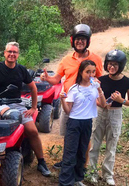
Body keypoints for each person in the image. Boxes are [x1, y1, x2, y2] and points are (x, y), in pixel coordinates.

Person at [0, 42, 51, 177]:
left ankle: (41, 162)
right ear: (4, 53)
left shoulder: (21, 70)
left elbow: (33, 88)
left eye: (14, 52)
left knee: (32, 130)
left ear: (17, 55)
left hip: (17, 104)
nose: (12, 54)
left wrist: (33, 107)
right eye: (9, 52)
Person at [41, 24, 103, 170]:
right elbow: (57, 79)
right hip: (69, 102)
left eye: (83, 39)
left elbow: (100, 80)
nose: (80, 42)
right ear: (72, 41)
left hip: (86, 105)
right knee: (68, 135)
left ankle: (83, 164)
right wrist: (46, 78)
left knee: (85, 137)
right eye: (77, 39)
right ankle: (68, 161)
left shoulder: (95, 59)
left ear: (88, 41)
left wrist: (98, 95)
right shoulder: (66, 59)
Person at [56, 60, 106, 186]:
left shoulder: (94, 88)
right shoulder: (74, 89)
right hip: (74, 122)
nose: (90, 74)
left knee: (82, 150)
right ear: (81, 73)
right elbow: (68, 110)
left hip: (87, 122)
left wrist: (100, 91)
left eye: (93, 72)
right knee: (70, 152)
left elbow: (103, 105)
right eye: (87, 72)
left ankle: (77, 178)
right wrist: (62, 100)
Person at [88, 49, 129, 186]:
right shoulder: (100, 80)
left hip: (115, 114)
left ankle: (108, 174)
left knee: (111, 145)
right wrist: (101, 103)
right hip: (100, 113)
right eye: (109, 64)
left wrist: (121, 100)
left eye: (115, 64)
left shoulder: (127, 82)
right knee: (94, 144)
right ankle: (92, 172)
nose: (112, 67)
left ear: (121, 65)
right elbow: (94, 98)